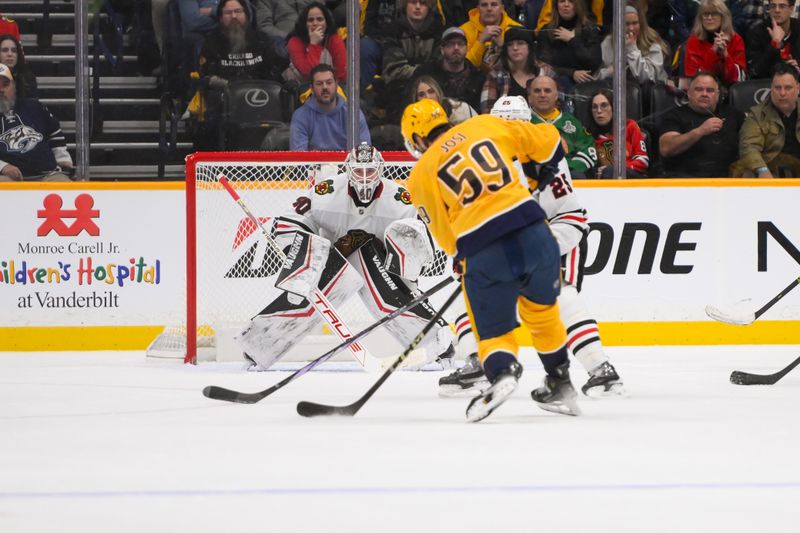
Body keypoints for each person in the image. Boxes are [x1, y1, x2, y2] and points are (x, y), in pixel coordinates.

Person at [400, 98, 581, 422]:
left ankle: (503, 370)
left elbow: (445, 236)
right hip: (535, 232)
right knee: (542, 313)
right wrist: (537, 175)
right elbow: (553, 142)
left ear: (417, 138)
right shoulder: (485, 124)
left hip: (484, 248)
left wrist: (463, 259)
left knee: (493, 328)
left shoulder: (420, 174)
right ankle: (560, 381)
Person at [439, 94, 625, 398]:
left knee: (559, 300)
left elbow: (571, 216)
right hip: (509, 248)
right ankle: (477, 362)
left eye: (517, 123)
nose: (510, 130)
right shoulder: (484, 163)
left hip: (559, 238)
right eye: (503, 123)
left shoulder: (544, 156)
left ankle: (601, 369)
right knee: (468, 294)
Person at [237, 142, 454, 371]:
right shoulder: (326, 193)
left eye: (369, 171)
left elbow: (425, 234)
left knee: (393, 299)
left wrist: (403, 260)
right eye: (358, 171)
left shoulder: (400, 199)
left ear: (380, 170)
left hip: (382, 264)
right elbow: (292, 220)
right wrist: (301, 250)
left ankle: (437, 346)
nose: (363, 178)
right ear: (348, 170)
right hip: (336, 258)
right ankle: (258, 346)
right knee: (306, 294)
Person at [194, 0, 287, 150]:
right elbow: (207, 76)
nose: (234, 16)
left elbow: (274, 74)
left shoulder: (262, 40)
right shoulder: (211, 43)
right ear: (220, 17)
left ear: (247, 15)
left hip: (262, 101)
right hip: (226, 104)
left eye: (238, 11)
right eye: (228, 13)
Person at [659, 71, 744, 177]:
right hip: (686, 181)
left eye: (710, 90)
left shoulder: (733, 114)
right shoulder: (674, 115)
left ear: (718, 95)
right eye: (698, 89)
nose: (704, 94)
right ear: (689, 93)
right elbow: (666, 148)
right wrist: (699, 131)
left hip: (729, 181)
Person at [0, 65, 72, 182]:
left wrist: (62, 159)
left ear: (13, 87)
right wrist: (3, 166)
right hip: (8, 178)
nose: (1, 90)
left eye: (5, 85)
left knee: (62, 183)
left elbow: (54, 131)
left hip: (46, 174)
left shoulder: (34, 107)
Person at [379, 0, 444, 120]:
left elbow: (439, 68)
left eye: (423, 3)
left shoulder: (438, 32)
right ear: (405, 5)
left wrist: (414, 70)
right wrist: (423, 69)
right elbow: (394, 71)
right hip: (399, 91)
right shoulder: (393, 31)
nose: (418, 7)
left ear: (429, 7)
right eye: (413, 2)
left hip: (432, 89)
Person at [735, 62, 800, 177]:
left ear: (798, 88)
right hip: (771, 172)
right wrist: (762, 170)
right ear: (771, 88)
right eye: (777, 88)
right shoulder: (757, 114)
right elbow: (749, 147)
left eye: (788, 88)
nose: (782, 93)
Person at [528, 75, 597, 178]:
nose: (542, 95)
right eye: (537, 91)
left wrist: (568, 167)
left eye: (547, 90)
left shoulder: (572, 123)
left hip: (568, 174)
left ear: (556, 95)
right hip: (531, 175)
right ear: (530, 96)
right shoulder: (522, 122)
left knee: (578, 176)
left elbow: (589, 149)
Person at [290, 64, 371, 150]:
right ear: (312, 88)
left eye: (329, 82)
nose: (325, 87)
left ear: (336, 85)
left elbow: (364, 154)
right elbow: (298, 158)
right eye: (319, 84)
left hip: (346, 163)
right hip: (315, 163)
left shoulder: (353, 114)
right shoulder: (301, 116)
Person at [535, 0, 602, 92]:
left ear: (578, 5)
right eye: (562, 1)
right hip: (555, 84)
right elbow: (545, 66)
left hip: (586, 84)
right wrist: (572, 73)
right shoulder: (546, 31)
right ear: (556, 5)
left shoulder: (589, 29)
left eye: (571, 1)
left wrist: (572, 40)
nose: (566, 5)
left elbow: (594, 62)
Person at [595, 3, 670, 86]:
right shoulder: (608, 42)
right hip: (615, 90)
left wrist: (631, 49)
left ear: (641, 24)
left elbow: (648, 78)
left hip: (647, 94)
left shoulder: (652, 43)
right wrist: (610, 72)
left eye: (635, 23)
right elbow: (597, 76)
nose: (631, 28)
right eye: (626, 24)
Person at [414, 26, 486, 112]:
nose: (456, 48)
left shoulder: (478, 77)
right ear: (442, 50)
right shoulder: (425, 72)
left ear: (466, 48)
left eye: (460, 43)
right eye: (450, 44)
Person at [680, 0, 746, 88]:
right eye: (706, 14)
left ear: (723, 17)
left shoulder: (736, 40)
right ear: (700, 18)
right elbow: (695, 79)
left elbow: (738, 78)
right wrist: (713, 52)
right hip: (702, 90)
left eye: (714, 14)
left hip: (730, 92)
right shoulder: (693, 41)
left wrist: (725, 55)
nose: (709, 18)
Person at [585, 88, 649, 178]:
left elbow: (643, 161)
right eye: (595, 107)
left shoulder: (630, 126)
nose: (599, 111)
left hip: (630, 178)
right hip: (600, 183)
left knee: (610, 171)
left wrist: (617, 169)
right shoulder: (587, 135)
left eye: (604, 105)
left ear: (613, 108)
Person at [479, 26, 543, 112]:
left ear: (529, 47)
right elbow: (487, 110)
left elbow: (557, 106)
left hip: (540, 124)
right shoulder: (495, 75)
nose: (515, 48)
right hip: (503, 124)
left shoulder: (545, 72)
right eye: (510, 44)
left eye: (520, 43)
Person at [286, 2, 346, 83]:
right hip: (303, 85)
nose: (315, 23)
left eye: (319, 19)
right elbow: (309, 73)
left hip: (332, 86)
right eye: (310, 20)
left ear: (326, 23)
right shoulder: (295, 42)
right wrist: (314, 44)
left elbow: (341, 74)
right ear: (304, 24)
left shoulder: (334, 39)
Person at [459, 0, 523, 72]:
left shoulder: (517, 29)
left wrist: (502, 46)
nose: (489, 9)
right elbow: (461, 67)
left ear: (502, 8)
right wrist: (480, 41)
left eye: (494, 5)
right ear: (478, 8)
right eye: (484, 5)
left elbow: (522, 66)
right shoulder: (463, 31)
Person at [746, 0, 800, 80]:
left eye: (782, 6)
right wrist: (774, 44)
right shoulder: (757, 32)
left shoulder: (798, 28)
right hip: (767, 86)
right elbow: (754, 72)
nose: (777, 10)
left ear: (791, 9)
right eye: (773, 6)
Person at [410, 75, 477, 124]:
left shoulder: (462, 109)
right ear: (416, 100)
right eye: (421, 95)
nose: (428, 97)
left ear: (438, 92)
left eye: (431, 91)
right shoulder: (414, 122)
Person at [0, 34, 37, 98]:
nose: (10, 54)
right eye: (5, 50)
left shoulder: (27, 78)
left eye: (14, 51)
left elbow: (32, 104)